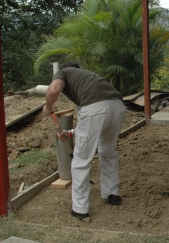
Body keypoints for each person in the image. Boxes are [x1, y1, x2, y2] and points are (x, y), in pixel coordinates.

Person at [43, 62, 127, 220]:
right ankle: (112, 194)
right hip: (117, 106)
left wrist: (48, 106)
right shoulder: (88, 77)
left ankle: (80, 209)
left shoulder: (64, 72)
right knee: (107, 152)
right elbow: (99, 122)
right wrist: (70, 133)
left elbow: (53, 90)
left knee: (81, 160)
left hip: (95, 109)